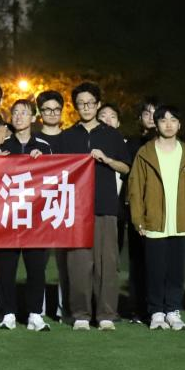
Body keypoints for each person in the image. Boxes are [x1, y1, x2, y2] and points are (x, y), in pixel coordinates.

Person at [56, 82, 131, 330]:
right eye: (81, 103)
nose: (86, 107)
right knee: (78, 264)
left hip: (105, 206)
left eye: (90, 103)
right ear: (75, 107)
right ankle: (80, 314)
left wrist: (107, 160)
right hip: (76, 209)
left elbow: (126, 167)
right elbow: (55, 170)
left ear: (98, 105)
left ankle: (106, 314)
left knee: (106, 263)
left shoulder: (112, 135)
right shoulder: (67, 136)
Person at [127, 105, 185, 331]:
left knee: (176, 270)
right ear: (156, 124)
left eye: (173, 120)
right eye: (163, 120)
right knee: (154, 270)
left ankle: (173, 310)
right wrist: (138, 218)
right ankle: (156, 312)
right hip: (154, 220)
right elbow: (135, 187)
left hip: (181, 220)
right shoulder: (145, 152)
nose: (169, 124)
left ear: (179, 125)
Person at [0, 98, 57, 331]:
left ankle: (35, 314)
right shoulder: (1, 144)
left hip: (34, 218)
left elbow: (55, 178)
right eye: (15, 112)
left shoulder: (43, 146)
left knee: (36, 269)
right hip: (6, 217)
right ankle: (8, 313)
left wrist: (43, 162)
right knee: (5, 269)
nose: (19, 117)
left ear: (33, 117)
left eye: (24, 112)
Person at [122, 96, 160, 322]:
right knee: (138, 259)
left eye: (156, 113)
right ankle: (137, 307)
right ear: (140, 118)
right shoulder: (132, 144)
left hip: (163, 209)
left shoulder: (171, 144)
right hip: (138, 209)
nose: (152, 118)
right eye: (147, 113)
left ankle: (160, 306)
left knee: (160, 259)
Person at [37, 89, 69, 319]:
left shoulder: (71, 139)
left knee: (65, 263)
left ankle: (63, 308)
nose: (51, 113)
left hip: (64, 206)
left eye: (56, 109)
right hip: (38, 208)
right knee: (38, 262)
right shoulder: (32, 139)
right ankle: (37, 308)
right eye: (47, 109)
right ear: (40, 113)